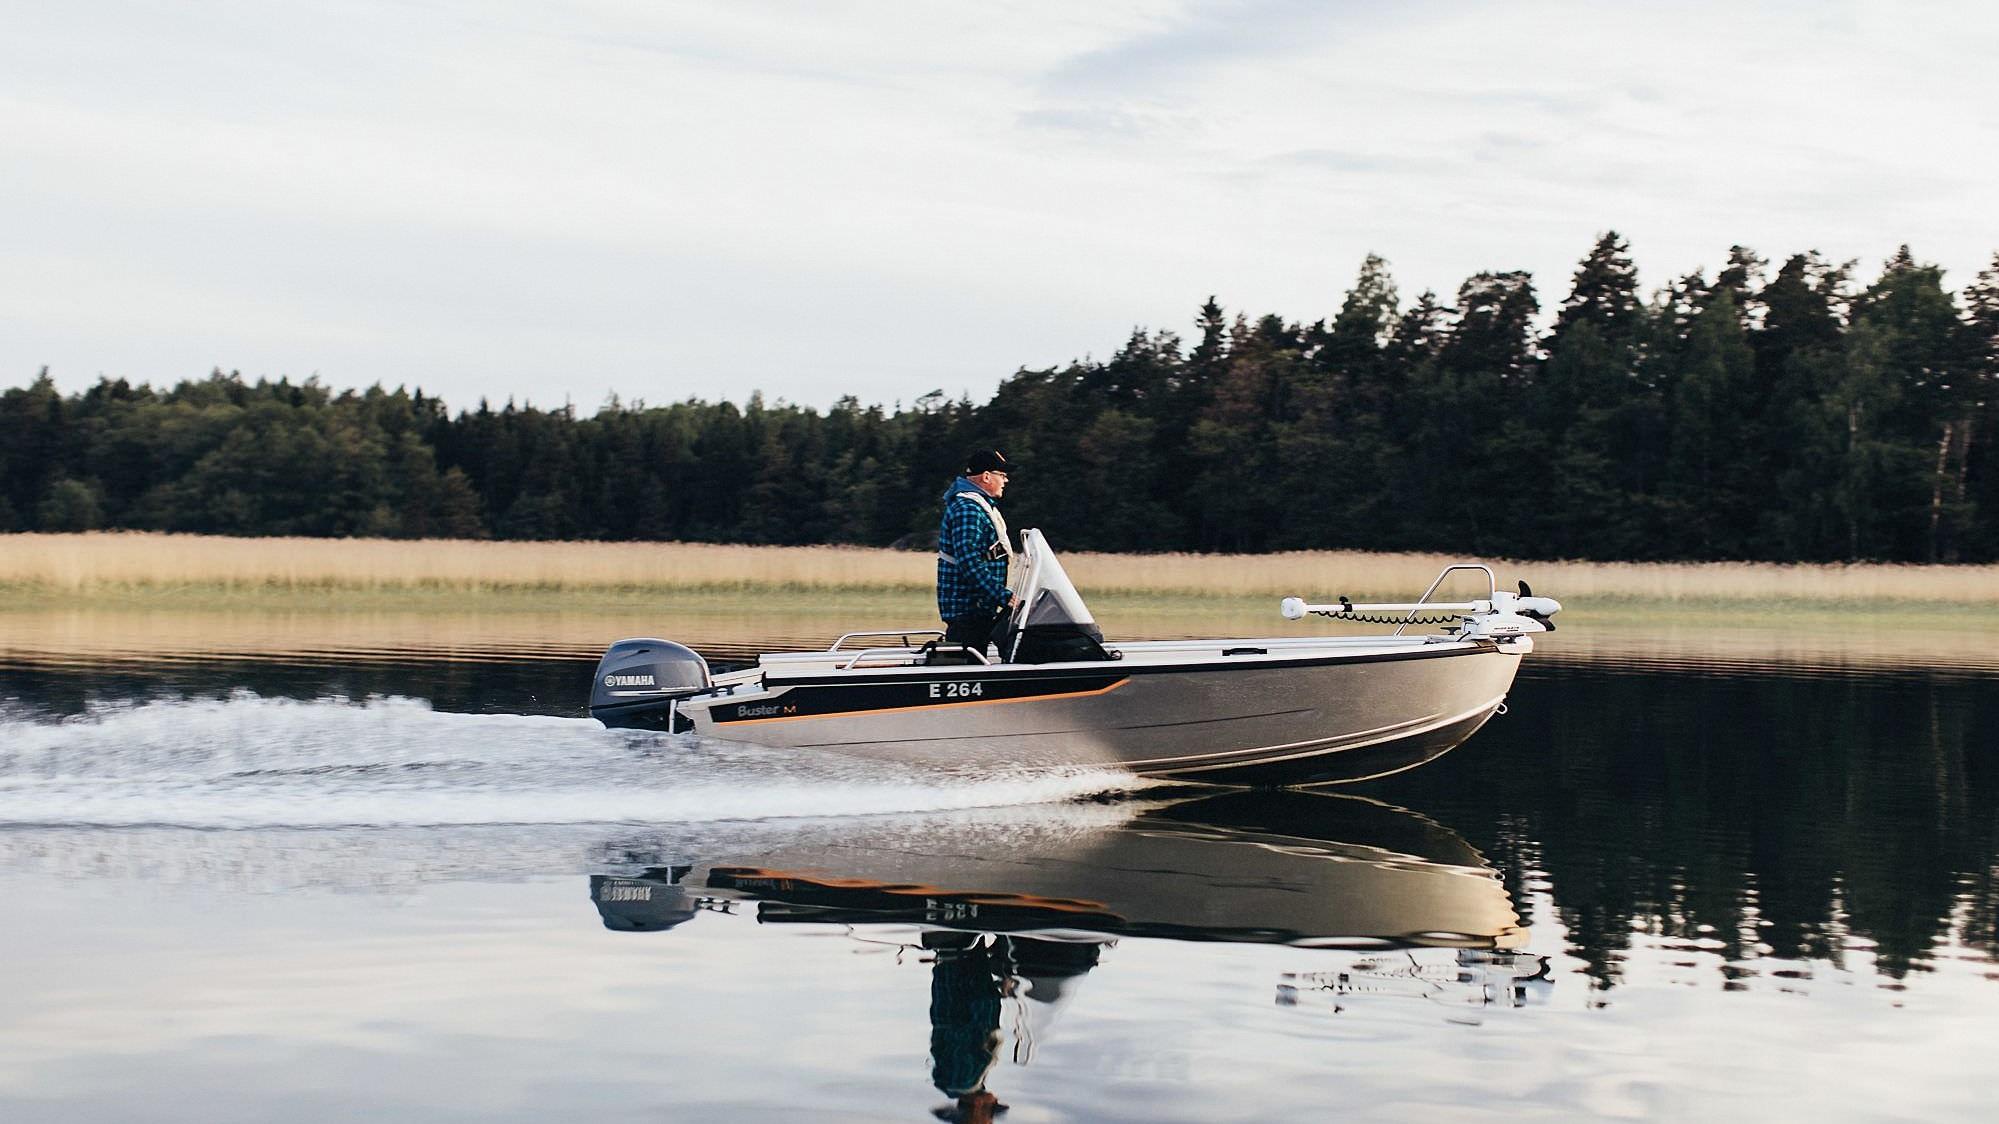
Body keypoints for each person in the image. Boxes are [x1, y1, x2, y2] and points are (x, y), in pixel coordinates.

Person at [937, 449, 1016, 653]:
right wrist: (1004, 597)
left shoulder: (978, 506)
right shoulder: (969, 509)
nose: (1006, 480)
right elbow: (969, 562)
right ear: (986, 476)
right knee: (968, 660)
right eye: (1002, 475)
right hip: (968, 610)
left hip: (977, 611)